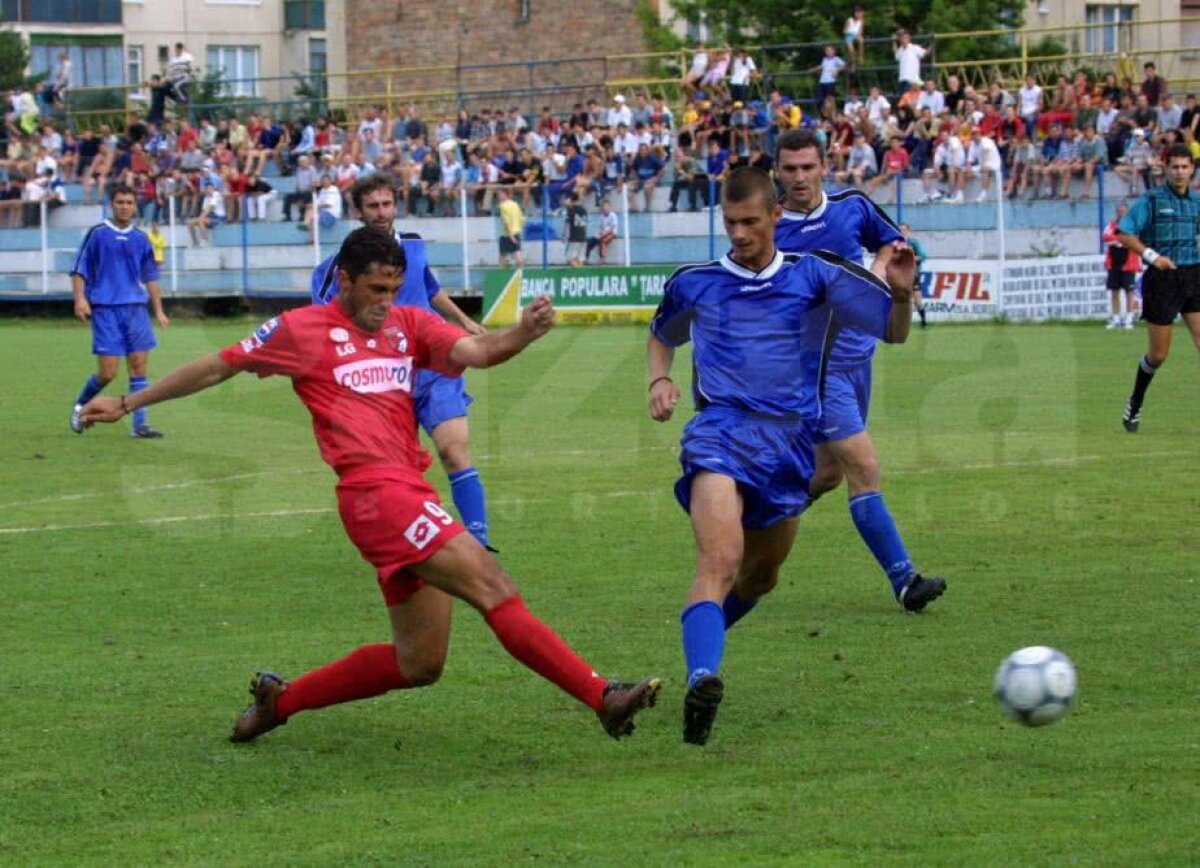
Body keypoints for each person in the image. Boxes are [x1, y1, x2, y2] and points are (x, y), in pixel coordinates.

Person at [80, 227, 662, 743]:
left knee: (420, 663)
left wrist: (525, 333)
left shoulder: (409, 324)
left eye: (393, 290)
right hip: (373, 495)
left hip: (408, 492)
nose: (386, 304)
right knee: (491, 582)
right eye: (376, 291)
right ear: (344, 279)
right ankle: (601, 695)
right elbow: (216, 366)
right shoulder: (300, 330)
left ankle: (282, 702)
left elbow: (478, 350)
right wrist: (130, 400)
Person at [646, 167, 919, 745]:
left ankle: (703, 637)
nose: (739, 233)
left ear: (775, 215)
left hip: (790, 442)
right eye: (730, 223)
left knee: (761, 576)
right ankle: (703, 676)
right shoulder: (695, 281)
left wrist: (900, 291)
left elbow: (894, 333)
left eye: (750, 221)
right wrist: (658, 381)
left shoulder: (816, 275)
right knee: (720, 560)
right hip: (718, 432)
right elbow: (663, 333)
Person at [773, 129, 946, 610]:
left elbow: (895, 243)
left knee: (826, 474)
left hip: (859, 359)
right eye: (790, 169)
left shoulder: (852, 206)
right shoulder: (768, 227)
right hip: (815, 367)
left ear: (824, 166)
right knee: (864, 468)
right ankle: (905, 580)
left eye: (808, 167)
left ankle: (758, 517)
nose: (800, 177)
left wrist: (875, 272)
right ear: (777, 172)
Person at [311, 174, 494, 549]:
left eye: (387, 204)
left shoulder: (413, 247)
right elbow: (322, 320)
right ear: (358, 211)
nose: (382, 212)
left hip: (434, 365)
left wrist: (463, 320)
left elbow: (430, 288)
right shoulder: (338, 267)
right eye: (373, 206)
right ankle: (416, 535)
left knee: (453, 448)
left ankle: (479, 539)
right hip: (383, 376)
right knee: (400, 469)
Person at [68, 185, 170, 438]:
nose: (125, 206)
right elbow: (80, 268)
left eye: (129, 202)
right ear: (111, 205)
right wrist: (80, 299)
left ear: (135, 206)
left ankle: (140, 425)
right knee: (108, 373)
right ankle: (80, 407)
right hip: (106, 310)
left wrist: (159, 310)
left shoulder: (141, 238)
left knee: (139, 368)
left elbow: (150, 277)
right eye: (120, 202)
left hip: (136, 310)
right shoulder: (98, 234)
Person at [1116, 144, 1200, 432]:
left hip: (1194, 275)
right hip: (1163, 281)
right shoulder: (1151, 200)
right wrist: (1152, 256)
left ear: (1192, 169)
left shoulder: (1196, 202)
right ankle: (1135, 402)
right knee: (1159, 355)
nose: (1179, 172)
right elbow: (1125, 233)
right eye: (1174, 166)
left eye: (1184, 167)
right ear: (1166, 168)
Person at [1103, 203, 1141, 330]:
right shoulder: (1112, 224)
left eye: (1124, 211)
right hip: (1113, 264)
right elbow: (1106, 237)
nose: (1121, 213)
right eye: (1119, 211)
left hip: (1128, 264)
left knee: (1129, 291)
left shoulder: (1133, 225)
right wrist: (1121, 240)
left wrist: (1117, 240)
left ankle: (1129, 319)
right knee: (1114, 291)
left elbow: (1133, 238)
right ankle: (1116, 319)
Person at [898, 222, 928, 328]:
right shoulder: (895, 244)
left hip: (913, 275)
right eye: (900, 230)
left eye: (904, 230)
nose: (901, 232)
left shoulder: (913, 243)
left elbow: (923, 256)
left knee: (917, 299)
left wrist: (913, 258)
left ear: (909, 231)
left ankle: (924, 322)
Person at [497, 187, 525, 267]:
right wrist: (519, 228)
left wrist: (510, 235)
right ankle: (521, 272)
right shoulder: (515, 204)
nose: (499, 196)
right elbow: (521, 218)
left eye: (500, 194)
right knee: (517, 252)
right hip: (516, 231)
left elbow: (506, 221)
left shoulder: (503, 206)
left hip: (507, 233)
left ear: (505, 194)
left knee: (503, 255)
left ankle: (501, 275)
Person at [587, 198, 619, 263]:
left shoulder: (613, 215)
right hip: (604, 233)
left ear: (610, 207)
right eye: (604, 207)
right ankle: (587, 258)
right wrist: (599, 233)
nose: (605, 208)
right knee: (590, 241)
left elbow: (612, 229)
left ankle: (603, 258)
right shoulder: (601, 216)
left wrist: (603, 234)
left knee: (602, 241)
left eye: (607, 206)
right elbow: (601, 228)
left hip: (612, 234)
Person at [563, 193, 588, 267]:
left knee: (570, 259)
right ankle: (582, 274)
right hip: (583, 237)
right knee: (579, 260)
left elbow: (567, 224)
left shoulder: (571, 210)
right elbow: (586, 224)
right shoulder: (584, 210)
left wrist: (567, 205)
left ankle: (579, 272)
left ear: (571, 200)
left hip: (574, 238)